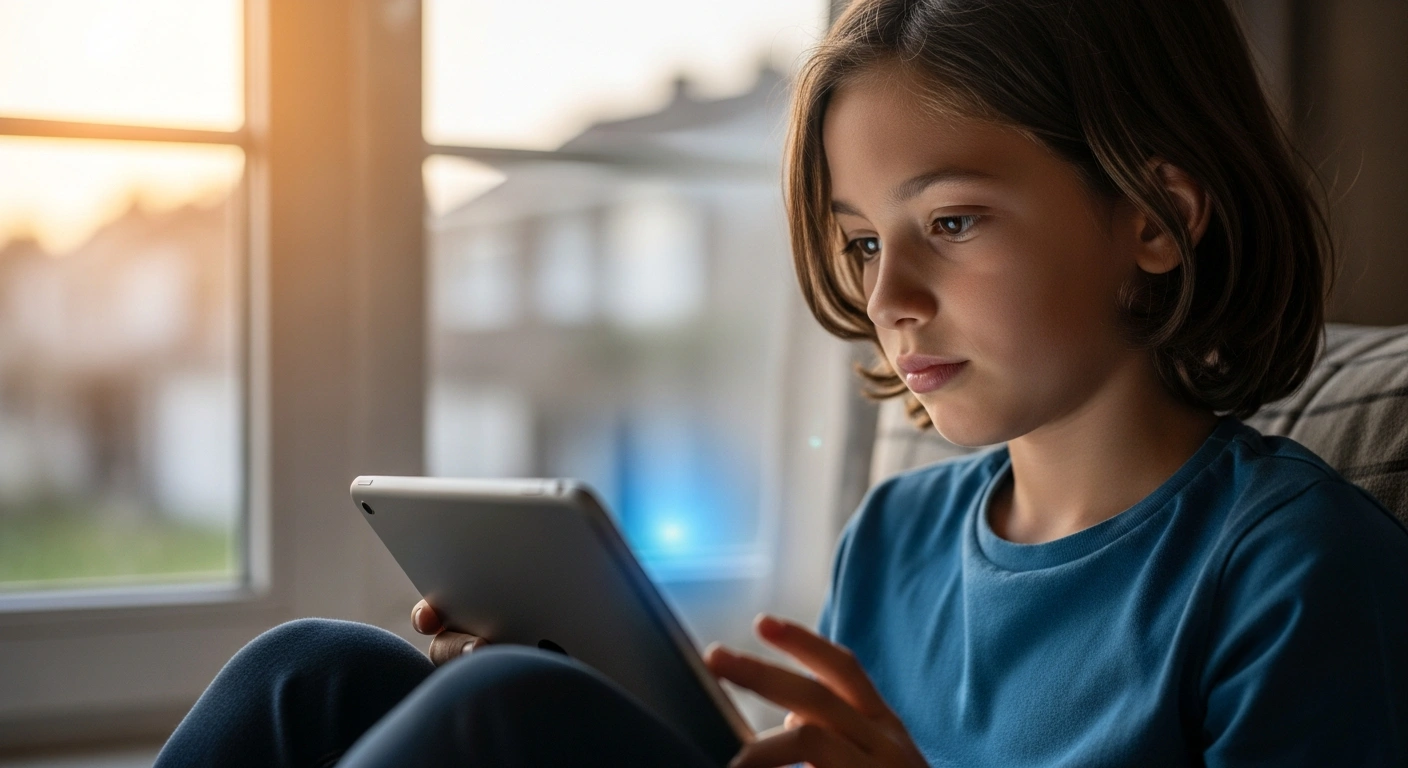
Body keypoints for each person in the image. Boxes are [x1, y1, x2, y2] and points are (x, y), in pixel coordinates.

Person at [153, 0, 1408, 766]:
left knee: (507, 712)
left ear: (1153, 216)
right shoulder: (902, 533)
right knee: (314, 671)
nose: (886, 295)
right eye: (862, 240)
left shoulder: (1293, 569)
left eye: (954, 222)